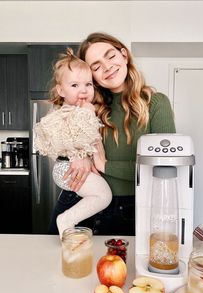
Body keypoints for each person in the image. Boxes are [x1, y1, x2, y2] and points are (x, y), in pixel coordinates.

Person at [49, 32, 176, 236]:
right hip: (79, 203)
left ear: (124, 55)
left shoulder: (156, 103)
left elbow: (164, 169)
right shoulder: (86, 104)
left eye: (110, 56)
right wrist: (78, 155)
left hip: (129, 210)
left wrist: (104, 165)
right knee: (58, 266)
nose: (107, 67)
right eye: (96, 66)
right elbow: (59, 144)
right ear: (90, 76)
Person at [33, 48, 112, 238]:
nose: (83, 90)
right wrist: (88, 113)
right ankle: (67, 219)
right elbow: (68, 139)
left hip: (67, 169)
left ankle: (70, 221)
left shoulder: (78, 109)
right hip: (65, 168)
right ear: (61, 90)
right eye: (75, 85)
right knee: (103, 196)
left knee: (99, 195)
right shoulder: (67, 112)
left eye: (88, 84)